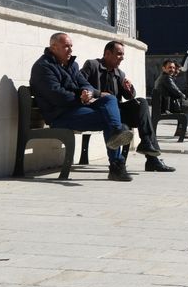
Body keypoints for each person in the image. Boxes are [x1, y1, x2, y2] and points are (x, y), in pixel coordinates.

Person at [30, 33, 135, 181]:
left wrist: (88, 92)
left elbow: (86, 84)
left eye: (71, 46)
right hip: (60, 115)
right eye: (66, 46)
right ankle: (117, 165)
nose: (70, 50)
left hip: (78, 109)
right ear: (53, 47)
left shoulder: (72, 65)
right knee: (111, 121)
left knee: (110, 98)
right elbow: (57, 95)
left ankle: (117, 132)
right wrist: (81, 98)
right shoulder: (43, 67)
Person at [81, 41, 176, 173]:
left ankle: (147, 145)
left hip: (118, 111)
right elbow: (80, 83)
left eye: (123, 55)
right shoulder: (92, 65)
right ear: (107, 53)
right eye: (119, 54)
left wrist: (129, 88)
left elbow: (129, 96)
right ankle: (152, 160)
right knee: (127, 115)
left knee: (141, 102)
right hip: (99, 110)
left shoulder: (119, 73)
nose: (122, 58)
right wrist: (98, 94)